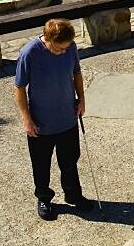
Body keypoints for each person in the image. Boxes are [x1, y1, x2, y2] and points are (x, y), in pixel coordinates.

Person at [14, 18, 93, 220]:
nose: (63, 52)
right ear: (47, 39)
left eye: (66, 48)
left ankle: (73, 195)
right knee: (41, 165)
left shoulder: (70, 46)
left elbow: (76, 72)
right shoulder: (29, 53)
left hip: (67, 118)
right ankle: (44, 198)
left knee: (70, 161)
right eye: (59, 48)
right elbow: (19, 88)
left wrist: (81, 98)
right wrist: (26, 119)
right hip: (40, 124)